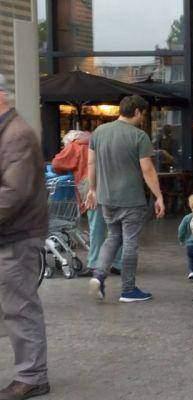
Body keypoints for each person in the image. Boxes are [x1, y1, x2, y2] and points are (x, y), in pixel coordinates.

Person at [85, 95, 165, 303]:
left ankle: (99, 275)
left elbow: (91, 164)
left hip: (106, 197)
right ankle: (128, 290)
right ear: (137, 112)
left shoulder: (99, 132)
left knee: (112, 237)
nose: (142, 118)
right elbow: (147, 169)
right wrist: (159, 196)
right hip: (131, 199)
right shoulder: (139, 136)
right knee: (130, 243)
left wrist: (92, 189)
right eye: (143, 114)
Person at [0, 73, 51, 399]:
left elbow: (13, 193)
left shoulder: (16, 135)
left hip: (16, 238)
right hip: (9, 235)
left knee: (20, 307)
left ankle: (32, 376)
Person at [52, 130, 123, 276]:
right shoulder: (100, 141)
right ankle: (118, 263)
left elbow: (57, 163)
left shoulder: (75, 146)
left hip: (92, 186)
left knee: (96, 227)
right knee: (114, 227)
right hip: (113, 185)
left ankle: (95, 264)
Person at [177, 194, 193, 281]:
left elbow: (181, 230)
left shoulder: (187, 218)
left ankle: (192, 272)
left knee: (191, 258)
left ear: (190, 205)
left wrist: (181, 239)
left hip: (189, 244)